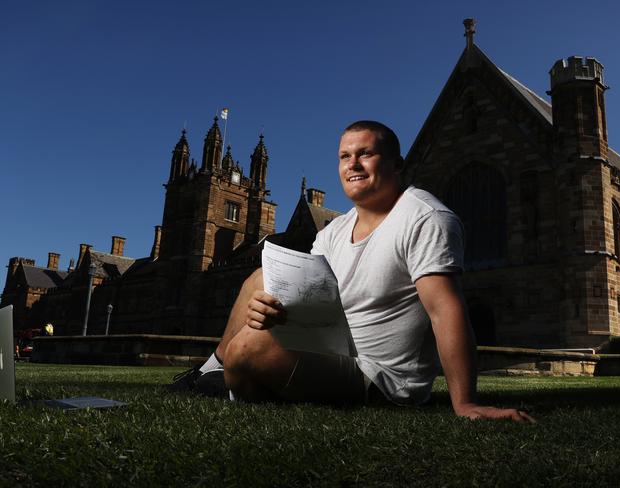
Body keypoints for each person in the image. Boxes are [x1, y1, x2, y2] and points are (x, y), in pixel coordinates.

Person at [170, 121, 534, 422]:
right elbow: (310, 301)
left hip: (381, 378)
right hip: (332, 353)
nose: (353, 164)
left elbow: (446, 311)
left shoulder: (425, 218)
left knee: (247, 349)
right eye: (345, 156)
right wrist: (269, 309)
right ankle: (211, 371)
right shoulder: (333, 231)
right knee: (259, 280)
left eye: (366, 154)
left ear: (397, 164)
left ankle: (232, 378)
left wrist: (466, 403)